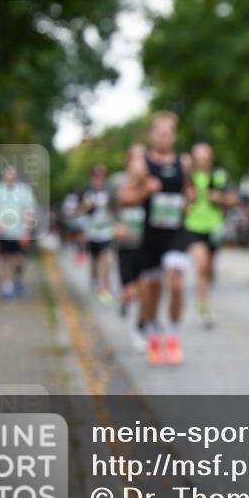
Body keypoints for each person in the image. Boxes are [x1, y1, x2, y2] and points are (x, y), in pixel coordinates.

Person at [120, 111, 190, 366]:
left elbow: (188, 190)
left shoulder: (184, 163)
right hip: (150, 236)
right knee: (151, 289)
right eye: (159, 133)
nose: (164, 137)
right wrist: (145, 192)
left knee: (177, 282)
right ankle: (151, 333)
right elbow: (124, 198)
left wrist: (188, 201)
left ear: (174, 136)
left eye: (168, 133)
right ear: (151, 136)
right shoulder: (142, 165)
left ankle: (172, 336)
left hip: (176, 233)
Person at [184, 142, 236, 329]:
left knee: (209, 269)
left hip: (214, 228)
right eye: (199, 157)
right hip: (193, 226)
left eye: (206, 157)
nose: (203, 161)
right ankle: (204, 306)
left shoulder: (219, 176)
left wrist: (220, 198)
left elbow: (233, 199)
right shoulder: (188, 178)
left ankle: (205, 292)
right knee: (202, 264)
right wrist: (187, 201)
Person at [109, 145, 147, 348]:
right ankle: (125, 301)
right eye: (136, 159)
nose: (140, 164)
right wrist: (115, 225)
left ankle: (138, 329)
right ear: (128, 161)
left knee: (143, 290)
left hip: (146, 245)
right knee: (130, 290)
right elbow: (107, 210)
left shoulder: (151, 184)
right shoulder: (117, 182)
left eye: (143, 159)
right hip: (125, 245)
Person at [0, 164, 38, 299]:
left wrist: (27, 231)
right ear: (3, 176)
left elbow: (30, 211)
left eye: (12, 175)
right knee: (5, 259)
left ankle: (18, 280)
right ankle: (7, 287)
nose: (9, 178)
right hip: (3, 233)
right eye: (7, 175)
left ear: (16, 176)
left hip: (20, 232)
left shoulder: (25, 191)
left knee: (20, 261)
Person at [80, 164, 115, 306]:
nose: (98, 180)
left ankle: (104, 288)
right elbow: (81, 210)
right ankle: (95, 283)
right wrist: (87, 206)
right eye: (96, 177)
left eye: (101, 177)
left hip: (106, 232)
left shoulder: (109, 193)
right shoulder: (87, 192)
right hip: (92, 233)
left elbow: (114, 209)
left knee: (106, 258)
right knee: (94, 261)